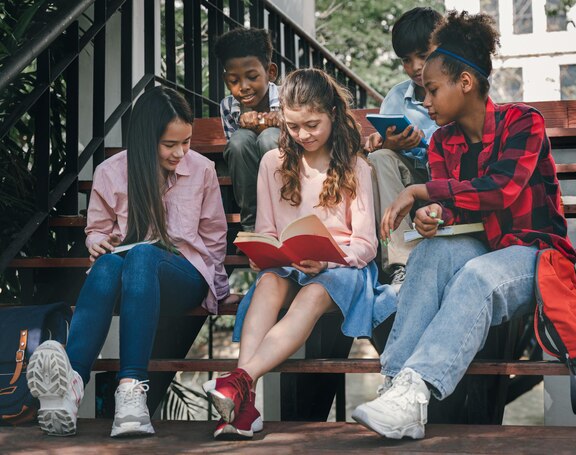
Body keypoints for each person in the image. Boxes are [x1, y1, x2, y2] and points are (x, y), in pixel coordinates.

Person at [352, 11, 576, 440]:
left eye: (433, 89)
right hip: (485, 247)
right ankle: (396, 386)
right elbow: (457, 211)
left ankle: (414, 395)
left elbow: (500, 191)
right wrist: (433, 217)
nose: (426, 101)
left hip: (535, 255)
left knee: (475, 275)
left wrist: (422, 194)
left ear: (466, 83)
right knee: (430, 253)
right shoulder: (443, 141)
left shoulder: (522, 123)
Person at [203, 68, 396, 440]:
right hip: (290, 265)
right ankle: (245, 403)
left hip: (342, 268)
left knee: (311, 294)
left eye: (312, 125)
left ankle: (239, 384)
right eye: (293, 127)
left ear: (333, 116)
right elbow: (270, 230)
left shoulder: (354, 166)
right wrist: (265, 252)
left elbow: (367, 244)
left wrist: (328, 258)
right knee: (268, 285)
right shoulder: (272, 163)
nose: (303, 135)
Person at [26, 87, 230, 438]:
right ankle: (69, 387)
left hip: (184, 276)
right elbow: (96, 230)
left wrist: (217, 290)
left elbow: (213, 238)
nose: (181, 152)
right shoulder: (111, 172)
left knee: (142, 253)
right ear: (144, 139)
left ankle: (132, 389)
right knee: (106, 263)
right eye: (170, 144)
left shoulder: (203, 170)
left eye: (186, 142)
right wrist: (97, 242)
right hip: (128, 278)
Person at [366, 7, 442, 292]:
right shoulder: (397, 96)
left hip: (446, 179)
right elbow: (384, 139)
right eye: (406, 60)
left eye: (423, 55)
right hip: (407, 177)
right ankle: (401, 263)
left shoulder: (459, 86)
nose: (416, 67)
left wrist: (426, 142)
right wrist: (386, 142)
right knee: (379, 157)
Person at [214, 27, 281, 232]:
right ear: (227, 80)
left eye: (252, 77)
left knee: (270, 137)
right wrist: (244, 124)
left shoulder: (288, 97)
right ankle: (252, 228)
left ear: (270, 72)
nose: (243, 87)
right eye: (234, 81)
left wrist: (281, 122)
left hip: (289, 186)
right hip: (251, 182)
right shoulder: (227, 106)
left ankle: (283, 222)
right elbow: (237, 152)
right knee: (239, 141)